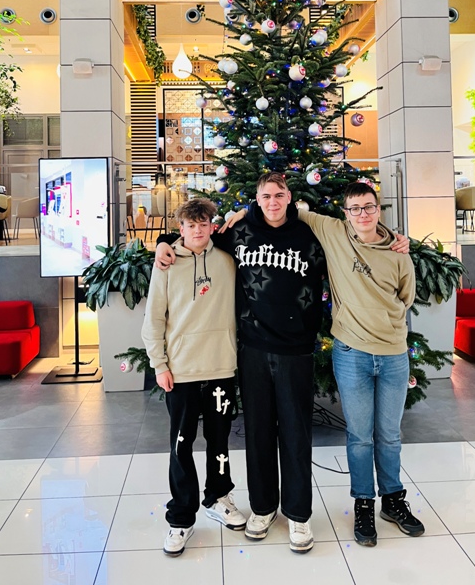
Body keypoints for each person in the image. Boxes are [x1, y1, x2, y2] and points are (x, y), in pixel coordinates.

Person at [156, 172, 327, 554]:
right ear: (257, 198)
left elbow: (349, 244)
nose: (272, 202)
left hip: (296, 351)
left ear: (289, 197)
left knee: (296, 436)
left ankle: (298, 514)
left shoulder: (310, 233)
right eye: (266, 196)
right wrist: (162, 241)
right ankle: (263, 508)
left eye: (279, 195)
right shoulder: (239, 231)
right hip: (251, 350)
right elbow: (194, 237)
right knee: (258, 434)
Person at [293, 181, 424, 547]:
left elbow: (406, 297)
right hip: (351, 354)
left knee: (390, 435)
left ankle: (393, 501)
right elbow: (288, 208)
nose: (362, 214)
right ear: (345, 212)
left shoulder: (398, 252)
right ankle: (364, 503)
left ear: (377, 210)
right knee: (359, 436)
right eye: (354, 208)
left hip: (393, 355)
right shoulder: (333, 231)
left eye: (368, 207)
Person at [142, 198, 246, 557]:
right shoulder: (166, 263)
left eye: (204, 224)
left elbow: (255, 212)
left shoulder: (228, 259)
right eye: (191, 225)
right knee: (181, 444)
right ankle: (181, 517)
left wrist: (240, 212)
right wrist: (159, 364)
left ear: (212, 226)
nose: (198, 231)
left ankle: (218, 497)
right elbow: (154, 317)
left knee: (219, 442)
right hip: (181, 370)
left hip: (220, 367)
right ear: (181, 228)